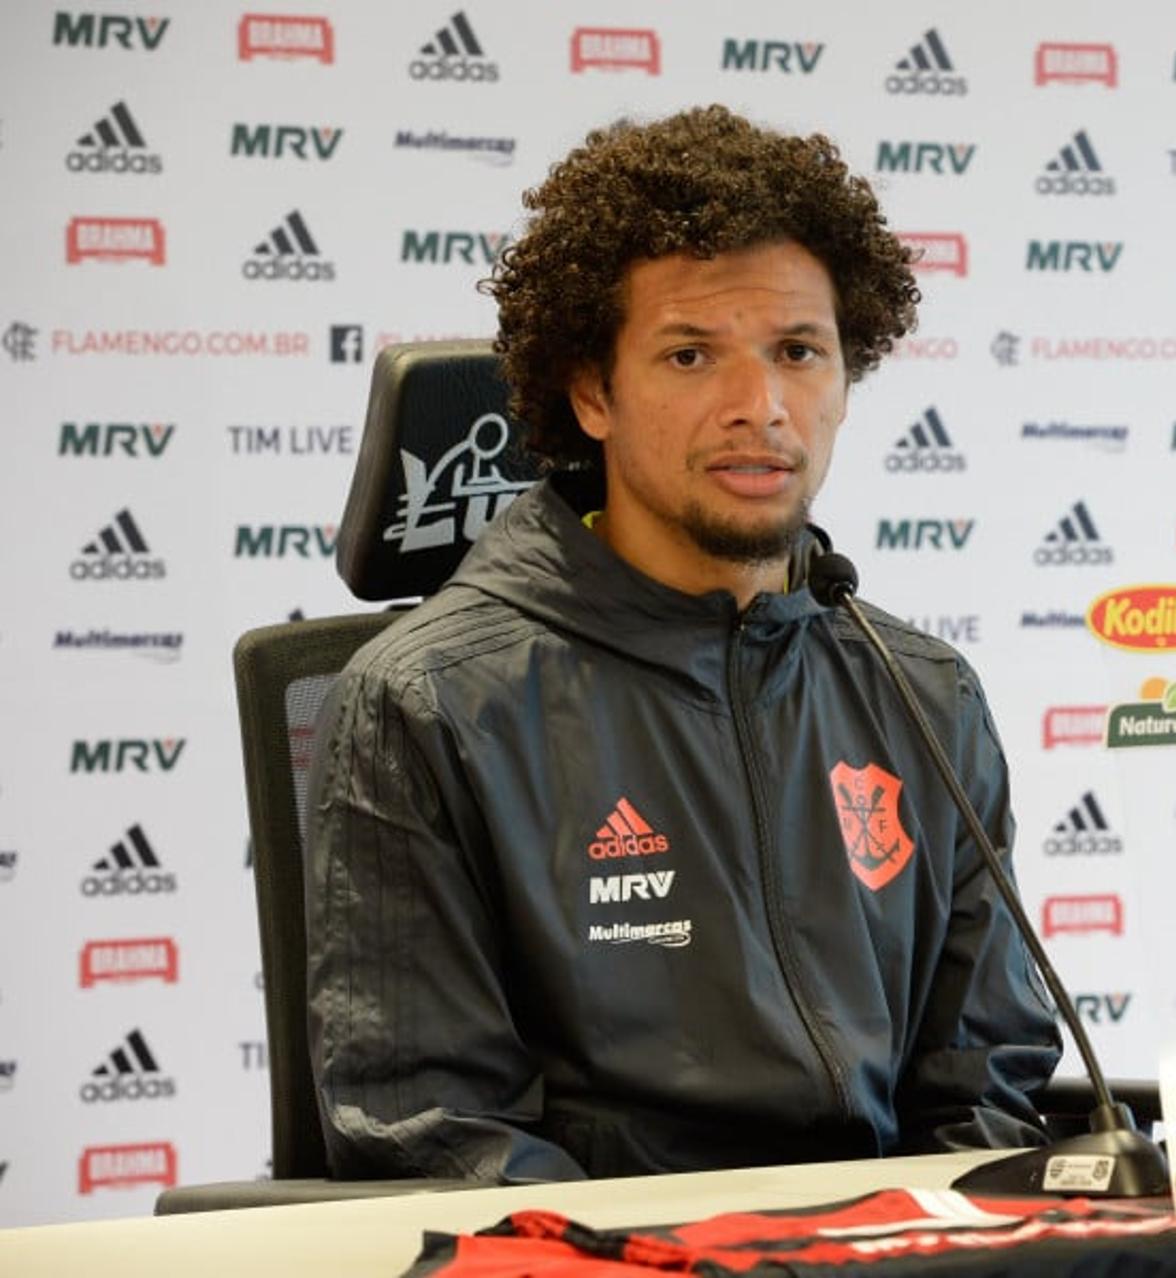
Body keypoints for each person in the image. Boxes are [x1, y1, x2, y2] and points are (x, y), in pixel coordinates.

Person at [304, 106, 1061, 1182]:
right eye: (691, 354)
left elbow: (987, 1081)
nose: (760, 408)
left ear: (847, 380)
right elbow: (434, 1134)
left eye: (800, 352)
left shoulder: (924, 695)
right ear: (591, 393)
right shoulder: (427, 703)